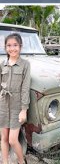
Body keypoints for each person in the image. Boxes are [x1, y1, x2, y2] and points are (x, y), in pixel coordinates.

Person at [1, 33, 31, 164]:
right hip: (2, 105)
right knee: (4, 138)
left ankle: (21, 161)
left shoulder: (25, 64)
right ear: (5, 47)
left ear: (20, 46)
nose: (12, 48)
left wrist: (24, 109)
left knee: (13, 140)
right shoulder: (3, 64)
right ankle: (5, 161)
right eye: (9, 45)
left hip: (16, 106)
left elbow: (25, 88)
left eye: (15, 45)